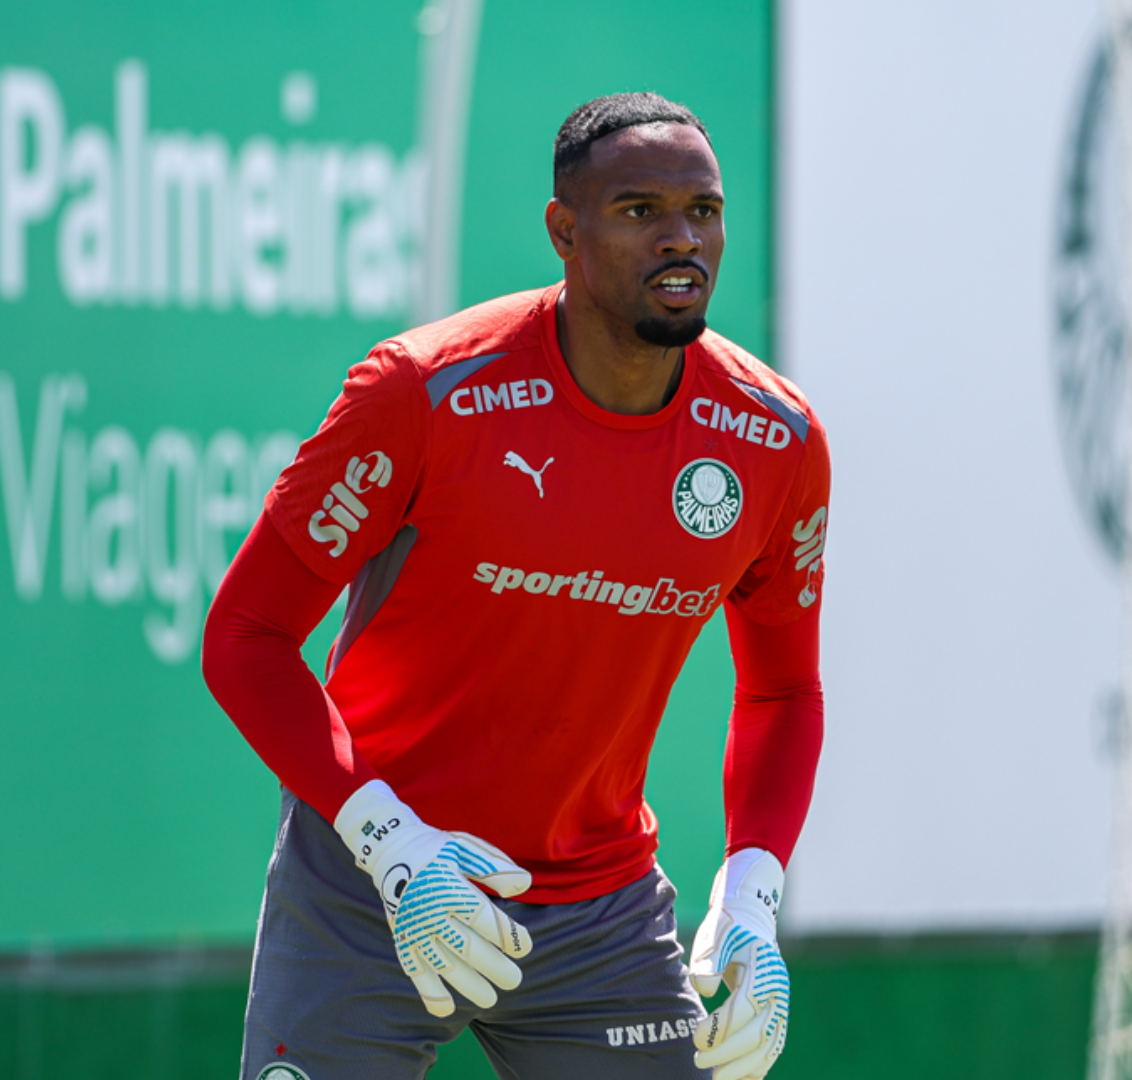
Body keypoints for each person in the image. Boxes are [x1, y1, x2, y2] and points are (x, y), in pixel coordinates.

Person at [203, 91, 829, 1080]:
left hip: (600, 905)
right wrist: (392, 846)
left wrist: (753, 896)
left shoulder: (774, 439)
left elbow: (784, 691)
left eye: (702, 211)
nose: (682, 239)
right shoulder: (421, 392)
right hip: (373, 883)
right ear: (562, 231)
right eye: (639, 211)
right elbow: (245, 636)